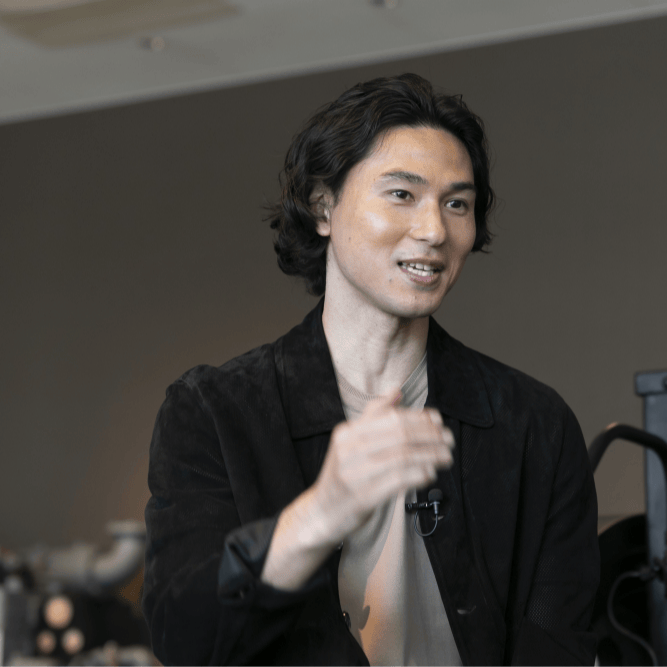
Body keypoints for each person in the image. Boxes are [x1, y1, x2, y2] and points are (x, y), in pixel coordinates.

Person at [142, 73, 599, 667]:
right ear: (323, 206)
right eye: (402, 194)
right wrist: (320, 514)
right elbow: (183, 638)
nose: (434, 231)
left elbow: (559, 644)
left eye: (456, 204)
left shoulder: (535, 424)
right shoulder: (213, 411)